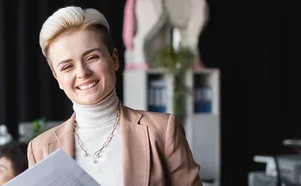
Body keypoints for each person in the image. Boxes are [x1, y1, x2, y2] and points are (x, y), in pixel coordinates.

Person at [27, 6, 202, 186]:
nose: (82, 73)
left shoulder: (162, 131)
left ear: (114, 59)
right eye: (67, 66)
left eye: (91, 57)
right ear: (57, 78)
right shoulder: (40, 148)